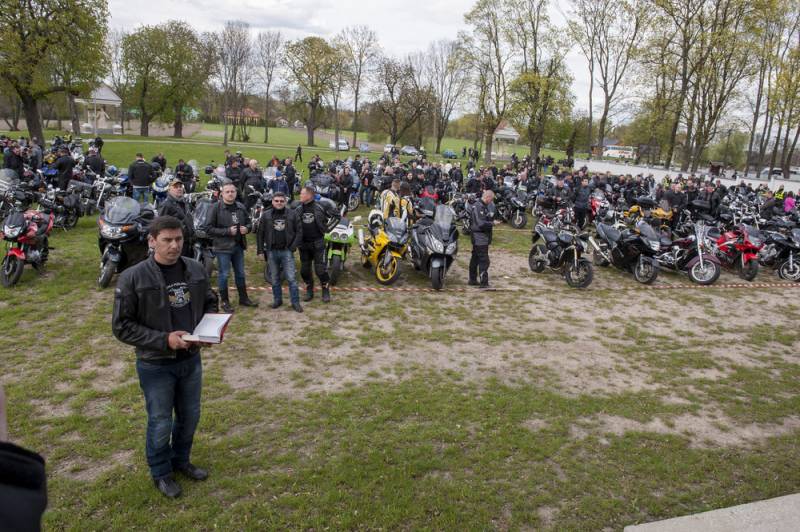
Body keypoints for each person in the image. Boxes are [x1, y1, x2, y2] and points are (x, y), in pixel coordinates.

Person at [112, 216, 218, 499]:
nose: (174, 246)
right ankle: (161, 472)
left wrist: (207, 330)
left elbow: (210, 301)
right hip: (155, 364)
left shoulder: (195, 268)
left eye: (179, 239)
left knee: (190, 416)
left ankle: (181, 460)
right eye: (167, 240)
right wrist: (164, 340)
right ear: (152, 241)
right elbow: (122, 326)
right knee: (160, 422)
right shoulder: (133, 277)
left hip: (190, 359)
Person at [203, 181, 258, 312]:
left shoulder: (240, 206)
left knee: (240, 273)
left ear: (236, 193)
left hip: (238, 246)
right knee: (224, 274)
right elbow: (208, 228)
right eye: (227, 192)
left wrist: (247, 229)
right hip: (223, 248)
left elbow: (249, 222)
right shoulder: (215, 208)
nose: (230, 194)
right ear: (222, 194)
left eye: (232, 191)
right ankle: (225, 301)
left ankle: (243, 298)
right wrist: (227, 231)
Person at [257, 192, 303, 312]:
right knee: (275, 278)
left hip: (287, 251)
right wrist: (260, 250)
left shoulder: (293, 214)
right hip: (271, 251)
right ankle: (277, 300)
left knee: (291, 278)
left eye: (281, 201)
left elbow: (299, 232)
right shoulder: (266, 215)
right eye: (276, 201)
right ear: (272, 202)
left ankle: (295, 302)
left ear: (285, 202)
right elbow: (260, 233)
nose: (279, 203)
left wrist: (293, 247)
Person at [298, 185, 332, 303]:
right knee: (304, 271)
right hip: (303, 244)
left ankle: (325, 290)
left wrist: (327, 229)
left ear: (309, 195)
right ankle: (309, 290)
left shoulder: (321, 206)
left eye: (302, 193)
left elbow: (337, 216)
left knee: (320, 270)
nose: (300, 195)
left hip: (318, 243)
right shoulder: (297, 208)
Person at [158, 178, 195, 257]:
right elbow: (160, 225)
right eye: (175, 187)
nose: (179, 189)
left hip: (187, 241)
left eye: (180, 186)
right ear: (169, 190)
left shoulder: (184, 202)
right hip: (175, 244)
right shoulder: (166, 204)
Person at [469, 190, 496, 288]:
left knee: (475, 258)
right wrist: (492, 223)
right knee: (484, 261)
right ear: (487, 197)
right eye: (491, 199)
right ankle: (484, 283)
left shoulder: (482, 206)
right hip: (480, 237)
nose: (491, 202)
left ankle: (472, 280)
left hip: (480, 237)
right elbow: (481, 223)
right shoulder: (478, 206)